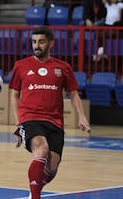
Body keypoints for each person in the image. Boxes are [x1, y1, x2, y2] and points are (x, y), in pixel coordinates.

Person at [9, 26, 91, 199]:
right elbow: (15, 94)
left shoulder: (63, 67)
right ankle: (36, 196)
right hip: (29, 117)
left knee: (52, 167)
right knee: (41, 148)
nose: (36, 45)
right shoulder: (21, 66)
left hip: (55, 121)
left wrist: (82, 117)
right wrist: (18, 123)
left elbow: (74, 93)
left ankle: (34, 188)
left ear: (51, 43)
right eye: (33, 42)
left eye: (41, 42)